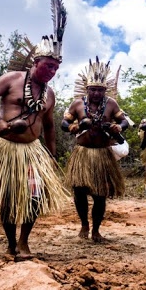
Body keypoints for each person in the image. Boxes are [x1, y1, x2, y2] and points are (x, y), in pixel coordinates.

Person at [0, 0, 71, 260]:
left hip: (33, 152)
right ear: (36, 63)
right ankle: (11, 243)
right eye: (48, 66)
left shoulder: (50, 94)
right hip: (6, 148)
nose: (52, 71)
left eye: (56, 68)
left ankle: (25, 243)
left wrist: (52, 153)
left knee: (34, 198)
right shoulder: (12, 79)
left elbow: (49, 126)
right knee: (10, 198)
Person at [61, 57, 127, 242]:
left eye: (100, 90)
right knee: (79, 192)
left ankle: (96, 230)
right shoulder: (77, 104)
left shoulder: (112, 104)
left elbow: (123, 121)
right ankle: (84, 224)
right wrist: (75, 127)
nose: (96, 93)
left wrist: (119, 127)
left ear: (105, 90)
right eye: (93, 90)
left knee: (100, 195)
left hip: (102, 155)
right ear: (87, 89)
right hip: (82, 154)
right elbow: (64, 123)